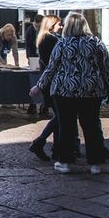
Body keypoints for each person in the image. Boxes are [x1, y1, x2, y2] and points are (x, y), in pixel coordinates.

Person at [31, 12, 109, 175]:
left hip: (65, 90)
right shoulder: (96, 43)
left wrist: (39, 86)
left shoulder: (62, 43)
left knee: (66, 127)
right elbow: (105, 68)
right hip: (91, 90)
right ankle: (95, 164)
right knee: (92, 127)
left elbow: (51, 67)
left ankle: (65, 161)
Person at [28, 15, 62, 161]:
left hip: (50, 81)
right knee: (60, 116)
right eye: (59, 24)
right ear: (52, 25)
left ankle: (56, 148)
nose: (61, 27)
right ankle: (40, 142)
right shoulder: (50, 39)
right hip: (53, 82)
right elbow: (52, 64)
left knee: (59, 116)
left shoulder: (45, 38)